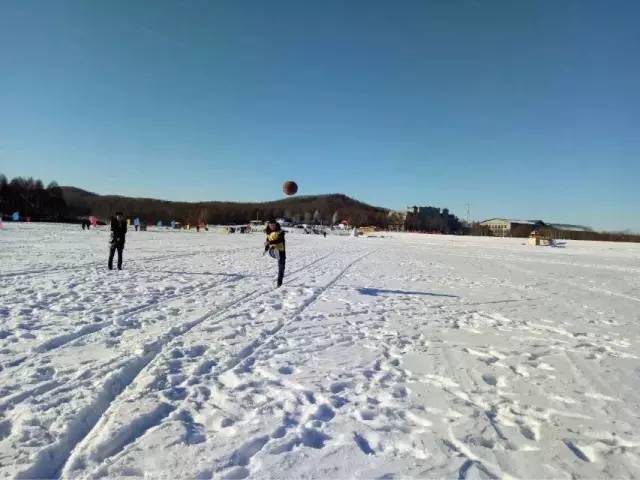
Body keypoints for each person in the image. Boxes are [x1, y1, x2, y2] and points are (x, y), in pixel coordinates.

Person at [265, 218, 286, 287]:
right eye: (271, 225)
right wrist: (266, 248)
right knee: (273, 251)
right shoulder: (268, 232)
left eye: (274, 225)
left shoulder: (280, 232)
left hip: (281, 250)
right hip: (273, 249)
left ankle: (279, 283)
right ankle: (275, 253)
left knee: (281, 268)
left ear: (276, 225)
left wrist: (269, 242)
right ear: (269, 225)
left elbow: (280, 240)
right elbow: (267, 241)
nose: (272, 226)